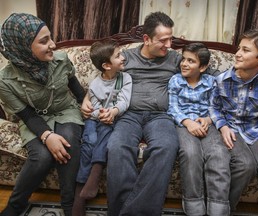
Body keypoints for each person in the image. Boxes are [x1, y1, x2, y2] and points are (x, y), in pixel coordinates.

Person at [81, 11, 182, 216]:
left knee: (167, 146)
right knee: (117, 147)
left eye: (171, 38)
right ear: (146, 39)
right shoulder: (126, 57)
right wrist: (85, 99)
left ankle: (133, 212)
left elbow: (205, 71)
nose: (169, 45)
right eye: (163, 40)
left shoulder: (175, 59)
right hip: (128, 115)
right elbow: (102, 78)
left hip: (160, 116)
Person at [0, 13, 85, 216]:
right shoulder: (5, 81)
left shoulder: (62, 60)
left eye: (51, 37)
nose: (54, 45)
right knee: (42, 157)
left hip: (66, 110)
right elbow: (27, 116)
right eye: (44, 41)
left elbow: (74, 84)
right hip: (34, 118)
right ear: (22, 47)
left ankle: (69, 206)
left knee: (69, 140)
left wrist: (86, 101)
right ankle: (15, 206)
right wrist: (47, 136)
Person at [209, 28, 258, 214]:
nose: (237, 54)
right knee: (245, 166)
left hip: (257, 130)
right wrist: (222, 126)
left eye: (245, 50)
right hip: (231, 130)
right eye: (239, 48)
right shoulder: (221, 80)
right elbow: (213, 107)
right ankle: (225, 209)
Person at [168, 43, 231, 216]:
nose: (184, 64)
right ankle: (193, 205)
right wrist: (188, 122)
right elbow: (173, 108)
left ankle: (217, 208)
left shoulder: (211, 82)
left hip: (206, 123)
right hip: (184, 124)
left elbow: (217, 107)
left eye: (191, 61)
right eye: (183, 59)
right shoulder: (175, 81)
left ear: (203, 67)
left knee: (218, 153)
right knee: (190, 152)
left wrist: (208, 119)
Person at [72, 41, 132, 215]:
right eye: (118, 56)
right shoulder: (95, 84)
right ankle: (79, 194)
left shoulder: (125, 78)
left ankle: (95, 174)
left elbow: (124, 101)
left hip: (113, 119)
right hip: (95, 118)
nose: (123, 58)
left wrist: (112, 112)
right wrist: (101, 114)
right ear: (106, 65)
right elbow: (93, 107)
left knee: (105, 137)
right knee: (88, 143)